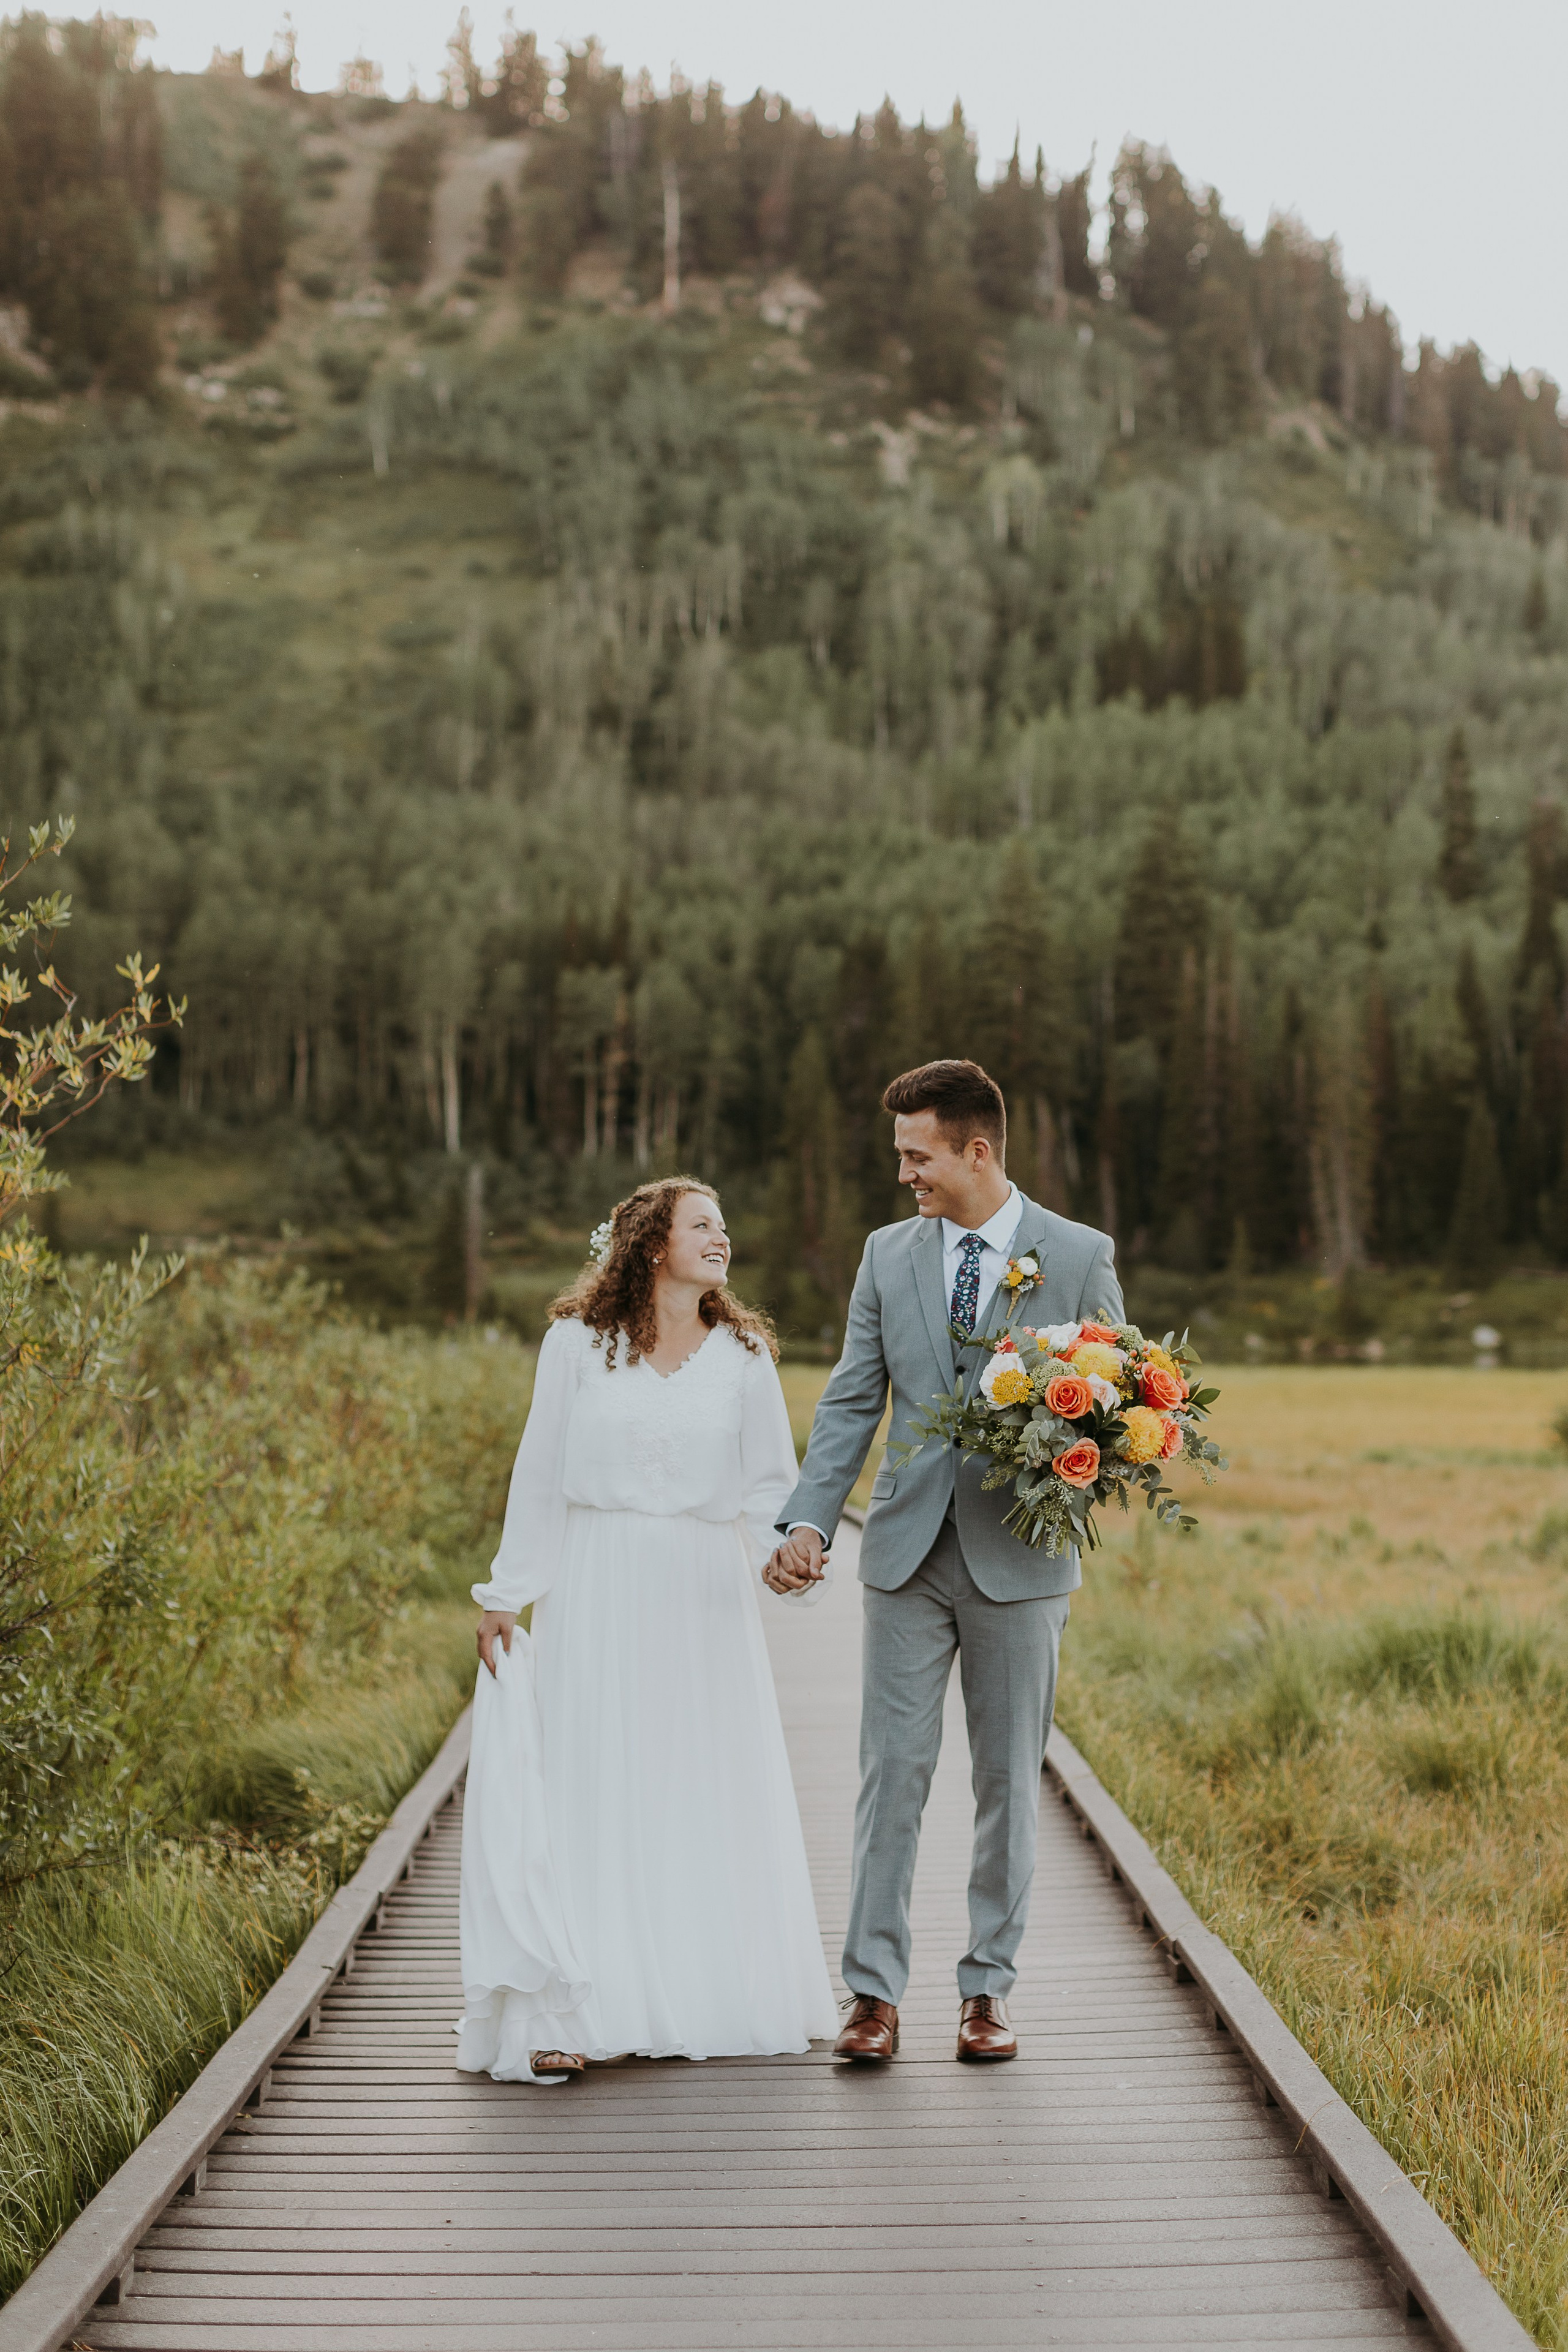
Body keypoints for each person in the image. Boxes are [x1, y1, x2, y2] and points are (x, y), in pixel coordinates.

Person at [766, 1059, 1123, 2066]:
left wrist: (1074, 1467)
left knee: (1011, 1779)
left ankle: (986, 1993)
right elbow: (850, 1402)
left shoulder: (1079, 1254)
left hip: (1022, 1559)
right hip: (905, 1554)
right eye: (899, 1158)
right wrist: (810, 1523)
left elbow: (1123, 1399)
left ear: (976, 1151)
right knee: (893, 1775)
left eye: (917, 1157)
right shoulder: (887, 1256)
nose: (905, 1176)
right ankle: (872, 1995)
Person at [459, 1177, 838, 2082]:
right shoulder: (575, 1345)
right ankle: (573, 2011)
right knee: (593, 1784)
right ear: (651, 1243)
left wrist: (786, 1557)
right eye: (704, 1225)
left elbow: (762, 1493)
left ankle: (705, 1992)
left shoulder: (745, 1355)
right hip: (600, 1583)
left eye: (726, 1226)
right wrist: (507, 1592)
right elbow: (541, 1475)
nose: (724, 1239)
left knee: (697, 1783)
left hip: (705, 1594)